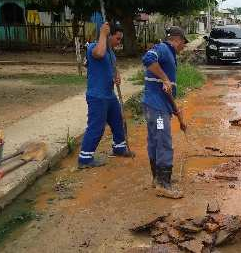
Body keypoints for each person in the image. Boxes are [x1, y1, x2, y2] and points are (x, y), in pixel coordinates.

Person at [78, 22, 135, 169]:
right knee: (96, 127)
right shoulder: (94, 47)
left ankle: (119, 147)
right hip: (97, 96)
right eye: (117, 38)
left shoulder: (111, 52)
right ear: (109, 36)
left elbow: (113, 68)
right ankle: (85, 158)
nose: (119, 42)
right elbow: (99, 54)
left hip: (109, 95)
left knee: (118, 121)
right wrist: (102, 33)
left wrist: (117, 76)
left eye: (120, 39)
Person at [141, 26, 188, 199]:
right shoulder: (162, 49)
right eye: (183, 43)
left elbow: (167, 91)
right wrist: (165, 78)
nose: (183, 47)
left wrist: (177, 112)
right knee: (163, 141)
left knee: (155, 140)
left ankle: (157, 179)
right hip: (157, 109)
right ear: (178, 40)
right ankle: (163, 184)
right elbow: (147, 58)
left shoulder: (169, 54)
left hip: (157, 106)